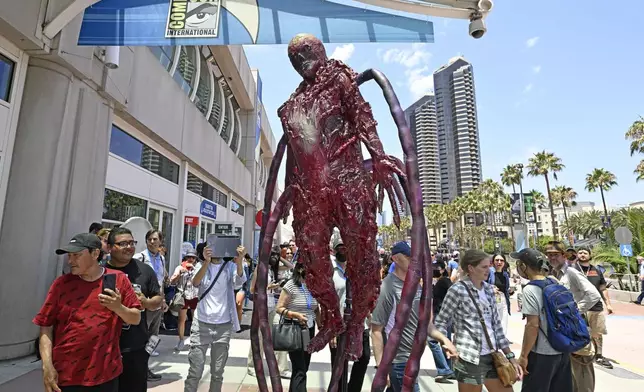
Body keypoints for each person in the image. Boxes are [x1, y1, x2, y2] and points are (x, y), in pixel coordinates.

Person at [34, 233, 142, 392]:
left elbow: (136, 318)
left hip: (105, 375)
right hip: (65, 375)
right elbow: (45, 326)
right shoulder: (61, 285)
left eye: (76, 255)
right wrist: (47, 366)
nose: (71, 261)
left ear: (95, 254)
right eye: (69, 256)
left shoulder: (118, 280)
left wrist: (118, 307)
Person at [372, 241, 456, 392]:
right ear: (396, 259)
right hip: (397, 362)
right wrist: (381, 368)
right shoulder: (387, 287)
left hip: (413, 359)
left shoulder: (417, 285)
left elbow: (426, 324)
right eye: (409, 256)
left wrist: (444, 340)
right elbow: (376, 329)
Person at [434, 249, 522, 392]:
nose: (489, 270)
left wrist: (510, 356)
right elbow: (441, 322)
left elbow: (496, 328)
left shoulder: (489, 290)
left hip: (493, 356)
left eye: (489, 266)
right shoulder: (457, 290)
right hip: (469, 357)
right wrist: (446, 342)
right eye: (484, 267)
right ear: (471, 268)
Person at [106, 227, 164, 392]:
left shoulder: (144, 270)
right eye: (123, 243)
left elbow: (158, 299)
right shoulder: (99, 270)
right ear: (110, 247)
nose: (129, 247)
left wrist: (145, 302)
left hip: (134, 346)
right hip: (104, 346)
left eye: (132, 243)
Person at [184, 243, 247, 392]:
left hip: (223, 325)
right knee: (195, 371)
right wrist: (206, 261)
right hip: (201, 324)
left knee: (217, 372)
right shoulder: (200, 265)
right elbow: (196, 282)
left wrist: (239, 262)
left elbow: (239, 282)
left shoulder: (229, 266)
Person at [511, 248, 573, 392]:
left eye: (519, 264)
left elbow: (532, 325)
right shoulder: (554, 282)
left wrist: (524, 356)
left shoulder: (530, 289)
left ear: (524, 267)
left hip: (542, 354)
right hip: (562, 350)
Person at [544, 241, 601, 392]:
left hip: (575, 326)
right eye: (549, 255)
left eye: (555, 254)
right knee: (569, 371)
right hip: (562, 328)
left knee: (582, 367)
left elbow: (594, 295)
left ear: (564, 255)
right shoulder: (551, 274)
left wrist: (575, 310)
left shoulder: (572, 272)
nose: (552, 258)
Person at [329, 237, 370, 391]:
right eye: (339, 247)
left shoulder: (358, 269)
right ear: (334, 250)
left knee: (364, 357)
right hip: (339, 325)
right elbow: (327, 303)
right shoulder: (330, 271)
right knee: (339, 365)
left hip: (360, 324)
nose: (343, 250)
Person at [275, 262, 320, 392]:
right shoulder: (291, 285)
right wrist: (295, 315)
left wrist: (320, 322)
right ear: (300, 269)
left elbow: (315, 308)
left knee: (304, 367)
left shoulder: (313, 286)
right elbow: (279, 308)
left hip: (309, 330)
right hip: (294, 329)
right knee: (299, 367)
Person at [574, 246, 613, 368]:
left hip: (596, 306)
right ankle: (580, 354)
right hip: (579, 307)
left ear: (589, 255)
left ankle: (599, 355)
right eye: (580, 252)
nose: (582, 255)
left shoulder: (596, 271)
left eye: (585, 253)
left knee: (597, 332)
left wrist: (608, 304)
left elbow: (603, 288)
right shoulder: (572, 270)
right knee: (580, 332)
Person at [134, 229, 168, 370]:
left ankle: (146, 367)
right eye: (150, 239)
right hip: (144, 302)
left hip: (157, 302)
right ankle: (140, 368)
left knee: (153, 336)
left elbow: (161, 281)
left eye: (155, 239)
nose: (152, 242)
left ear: (160, 241)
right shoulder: (139, 257)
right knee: (142, 335)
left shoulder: (161, 258)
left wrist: (163, 300)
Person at [429, 261, 456, 383]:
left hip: (441, 315)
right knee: (445, 340)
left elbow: (453, 293)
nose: (434, 269)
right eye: (433, 267)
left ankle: (444, 369)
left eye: (437, 267)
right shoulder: (434, 281)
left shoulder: (444, 281)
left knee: (433, 341)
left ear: (443, 269)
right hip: (439, 314)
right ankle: (449, 369)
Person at [169, 250, 200, 351]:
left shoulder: (198, 268)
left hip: (195, 295)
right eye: (188, 257)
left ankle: (195, 340)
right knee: (181, 320)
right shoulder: (180, 267)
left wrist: (194, 269)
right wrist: (180, 273)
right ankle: (181, 340)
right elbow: (172, 281)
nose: (190, 259)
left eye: (193, 258)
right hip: (183, 296)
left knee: (196, 320)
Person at [488, 253, 511, 335]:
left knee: (504, 319)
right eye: (497, 260)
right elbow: (482, 283)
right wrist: (491, 288)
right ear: (493, 262)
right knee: (493, 319)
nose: (499, 262)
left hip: (503, 298)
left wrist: (510, 291)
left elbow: (506, 287)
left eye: (501, 260)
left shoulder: (505, 274)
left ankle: (502, 338)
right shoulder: (489, 272)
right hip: (492, 298)